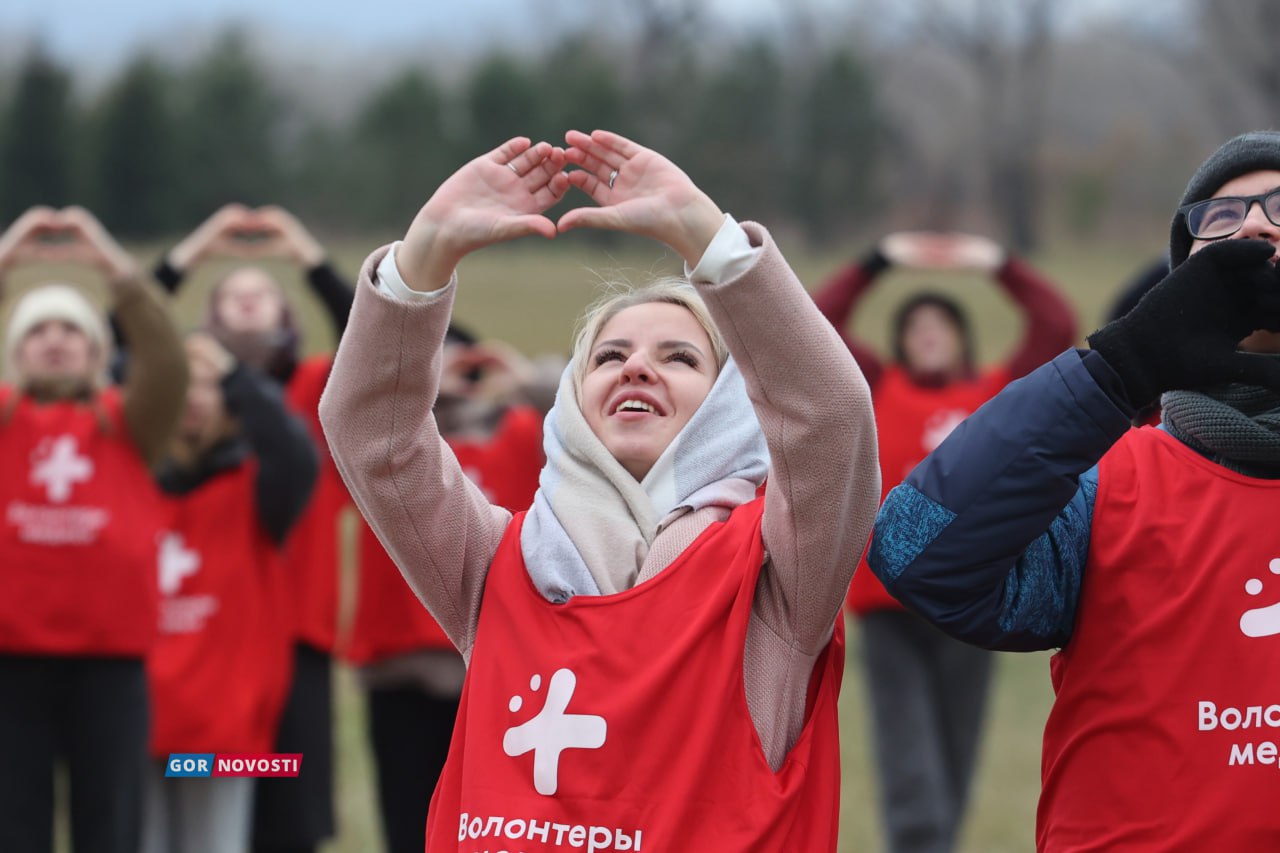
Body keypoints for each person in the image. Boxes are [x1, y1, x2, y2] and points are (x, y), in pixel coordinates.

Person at [319, 130, 879, 851]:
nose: (637, 368)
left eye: (679, 356)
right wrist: (421, 258)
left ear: (728, 403)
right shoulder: (496, 565)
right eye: (609, 355)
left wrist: (713, 246)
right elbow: (375, 435)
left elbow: (830, 422)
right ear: (574, 399)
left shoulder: (776, 570)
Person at [867, 130, 1280, 851]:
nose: (1251, 223)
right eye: (1221, 216)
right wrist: (1122, 366)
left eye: (1279, 207)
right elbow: (915, 550)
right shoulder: (1108, 485)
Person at [813, 230, 1076, 853]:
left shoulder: (998, 393)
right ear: (901, 340)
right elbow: (817, 324)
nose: (929, 334)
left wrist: (997, 264)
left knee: (957, 753)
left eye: (941, 324)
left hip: (975, 596)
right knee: (909, 758)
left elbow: (1054, 324)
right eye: (916, 325)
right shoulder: (873, 387)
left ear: (962, 336)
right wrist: (877, 260)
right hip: (888, 602)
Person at [153, 204, 352, 852]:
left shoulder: (320, 390)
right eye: (229, 291)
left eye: (262, 291)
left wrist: (307, 255)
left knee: (285, 807)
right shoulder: (178, 423)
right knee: (203, 791)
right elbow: (121, 348)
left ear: (288, 317)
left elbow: (374, 341)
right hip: (209, 649)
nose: (245, 298)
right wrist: (193, 250)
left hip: (297, 638)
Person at [0, 206, 187, 853]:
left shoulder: (129, 423)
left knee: (109, 826)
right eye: (37, 330)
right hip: (10, 664)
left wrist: (114, 268)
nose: (54, 339)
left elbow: (166, 360)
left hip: (109, 668)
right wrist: (6, 261)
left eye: (71, 330)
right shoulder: (4, 421)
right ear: (16, 351)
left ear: (98, 350)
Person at [344, 324, 548, 853]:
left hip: (493, 663)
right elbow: (354, 399)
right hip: (400, 660)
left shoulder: (522, 432)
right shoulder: (384, 449)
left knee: (489, 823)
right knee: (406, 820)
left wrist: (520, 376)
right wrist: (414, 381)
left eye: (460, 362)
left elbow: (582, 417)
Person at [142, 332, 317, 853]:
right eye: (182, 386)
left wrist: (238, 376)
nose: (195, 397)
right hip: (134, 721)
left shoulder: (260, 489)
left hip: (223, 729)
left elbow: (296, 452)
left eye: (210, 386)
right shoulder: (131, 481)